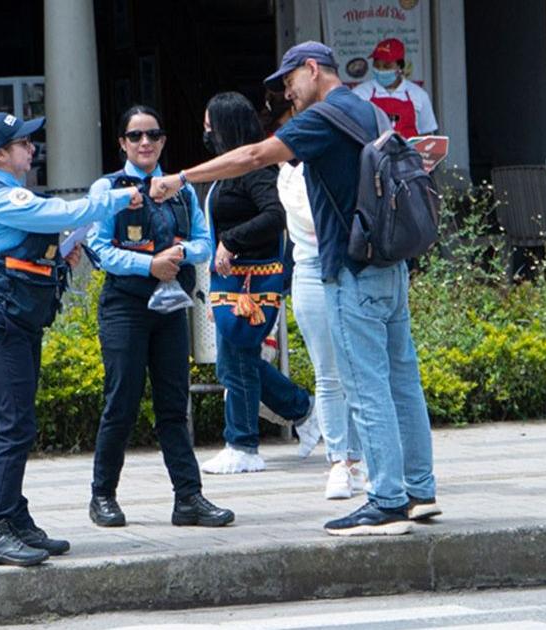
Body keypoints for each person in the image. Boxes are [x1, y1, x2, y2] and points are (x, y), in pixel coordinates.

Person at [149, 41, 439, 537]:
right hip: (390, 267)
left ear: (313, 69)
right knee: (402, 383)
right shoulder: (370, 112)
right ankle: (418, 491)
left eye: (289, 82)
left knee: (364, 386)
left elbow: (256, 155)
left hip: (351, 268)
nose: (287, 94)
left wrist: (182, 177)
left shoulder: (324, 116)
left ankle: (387, 500)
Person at [0, 112, 143, 566]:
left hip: (14, 321)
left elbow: (22, 256)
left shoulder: (5, 197)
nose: (31, 148)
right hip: (1, 323)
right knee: (14, 424)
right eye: (23, 142)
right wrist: (123, 197)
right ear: (1, 154)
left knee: (20, 422)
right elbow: (65, 211)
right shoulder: (4, 197)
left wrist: (61, 254)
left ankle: (15, 518)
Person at [85, 105, 235, 528]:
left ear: (163, 140)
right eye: (135, 136)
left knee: (174, 405)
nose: (145, 143)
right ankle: (103, 495)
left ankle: (188, 498)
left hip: (171, 307)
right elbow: (99, 250)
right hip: (126, 307)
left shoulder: (181, 189)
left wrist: (181, 254)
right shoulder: (109, 188)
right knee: (122, 402)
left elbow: (205, 242)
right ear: (122, 143)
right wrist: (148, 265)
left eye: (153, 134)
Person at [198, 92, 315, 475]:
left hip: (253, 283)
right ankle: (304, 411)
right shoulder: (230, 169)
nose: (205, 131)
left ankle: (243, 444)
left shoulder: (255, 169)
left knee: (238, 360)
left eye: (210, 124)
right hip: (229, 280)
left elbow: (274, 214)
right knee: (234, 363)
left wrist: (232, 240)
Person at [268, 92, 366, 499]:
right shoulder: (287, 175)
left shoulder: (334, 164)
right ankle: (339, 461)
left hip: (346, 267)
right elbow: (304, 221)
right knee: (327, 372)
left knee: (359, 371)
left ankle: (363, 460)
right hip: (308, 268)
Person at [349, 38, 438, 139]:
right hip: (373, 154)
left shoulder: (419, 95)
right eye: (377, 65)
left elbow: (427, 134)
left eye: (387, 66)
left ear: (400, 67)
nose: (380, 70)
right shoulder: (360, 93)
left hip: (408, 154)